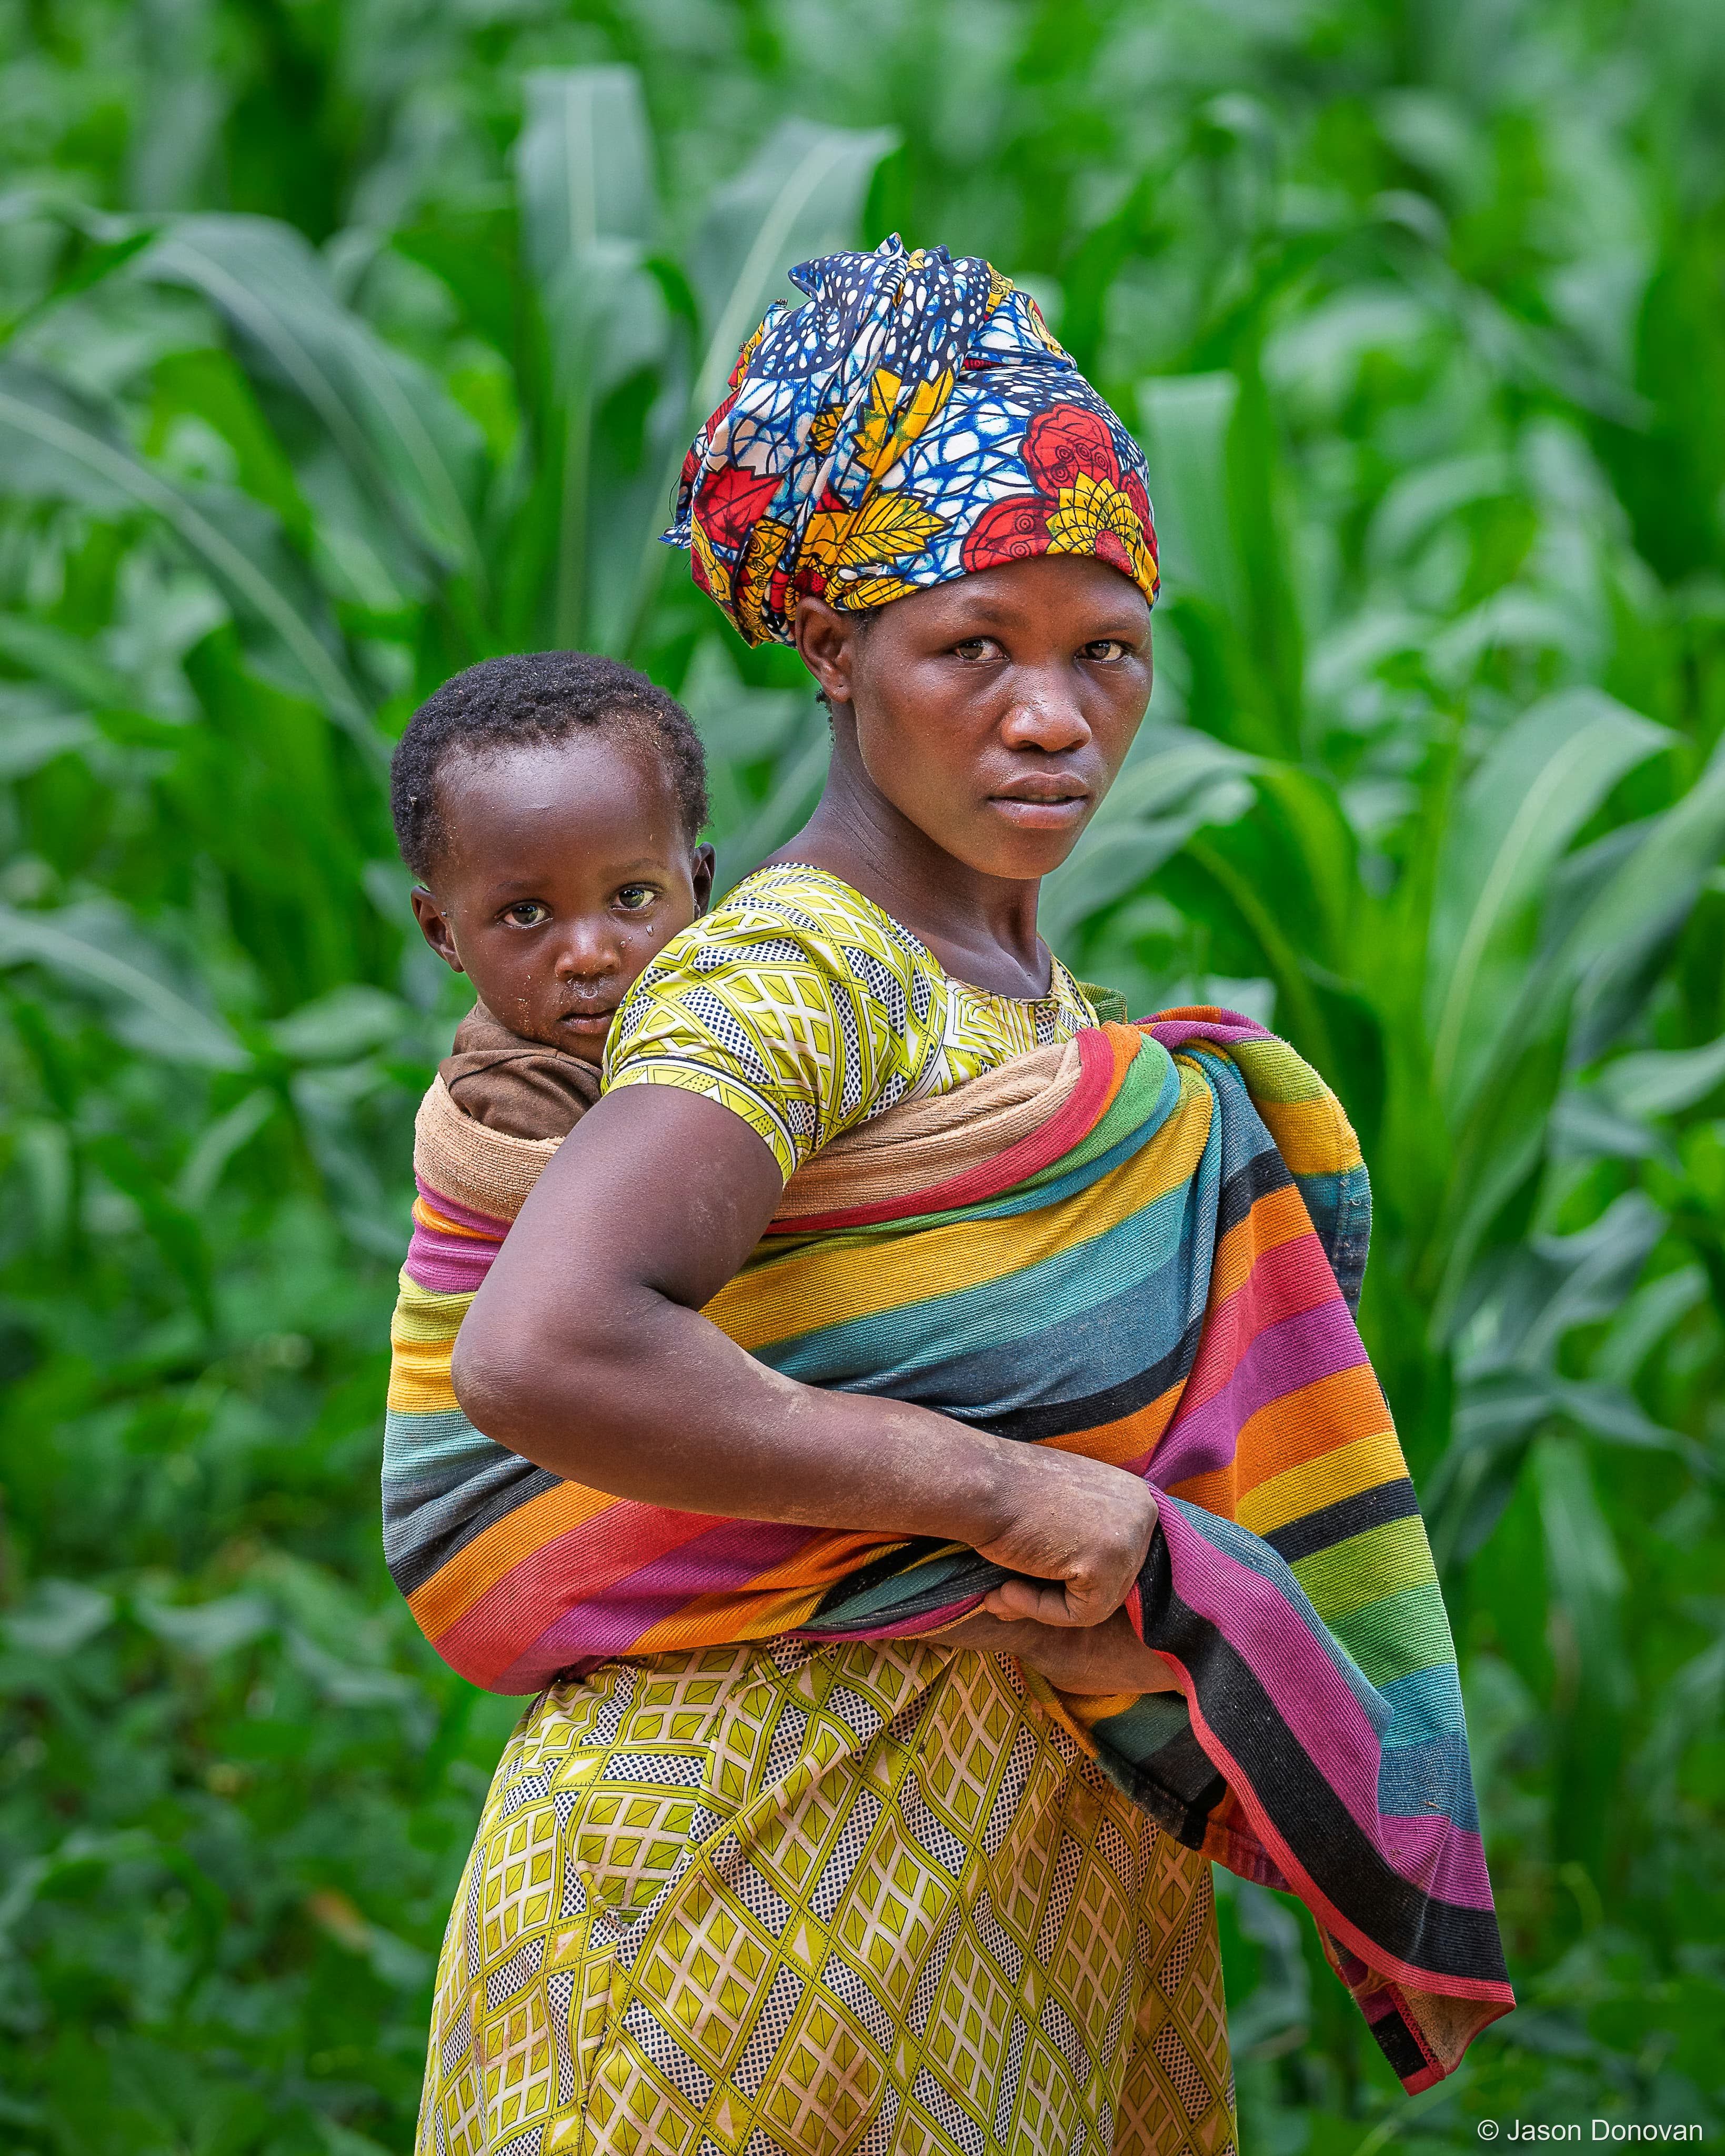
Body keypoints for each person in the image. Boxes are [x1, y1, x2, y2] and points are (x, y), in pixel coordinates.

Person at [411, 241, 1502, 2156]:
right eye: (973, 644)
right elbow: (548, 1345)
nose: (1054, 714)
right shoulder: (797, 976)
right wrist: (1004, 1490)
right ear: (838, 655)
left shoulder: (1035, 1017)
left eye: (1106, 649)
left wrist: (1143, 1602)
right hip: (736, 1910)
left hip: (1021, 1913)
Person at [388, 650, 715, 1141]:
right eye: (526, 913)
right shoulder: (517, 1100)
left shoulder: (724, 1015)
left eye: (632, 897)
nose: (589, 957)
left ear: (698, 890)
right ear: (443, 931)